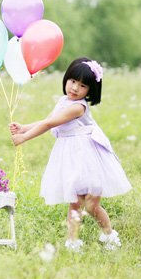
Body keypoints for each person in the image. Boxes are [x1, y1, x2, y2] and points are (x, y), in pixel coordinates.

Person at [9, 57, 132, 252]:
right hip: (71, 156)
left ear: (90, 90)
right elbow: (47, 119)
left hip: (86, 156)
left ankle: (109, 236)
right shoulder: (64, 101)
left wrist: (25, 138)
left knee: (91, 206)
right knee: (74, 204)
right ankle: (73, 243)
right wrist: (24, 128)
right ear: (66, 79)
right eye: (72, 81)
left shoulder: (78, 107)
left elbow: (49, 125)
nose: (75, 88)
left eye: (82, 85)